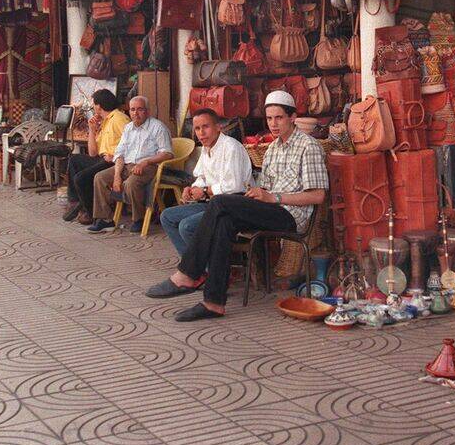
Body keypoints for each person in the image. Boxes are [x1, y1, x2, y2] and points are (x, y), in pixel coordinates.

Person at [145, 91, 328, 322]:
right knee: (223, 221)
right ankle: (213, 303)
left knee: (220, 202)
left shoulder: (308, 147)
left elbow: (318, 196)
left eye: (279, 118)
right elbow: (265, 189)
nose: (273, 124)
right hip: (268, 208)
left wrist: (275, 198)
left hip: (290, 215)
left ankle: (188, 273)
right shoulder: (271, 149)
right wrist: (258, 195)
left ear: (293, 117)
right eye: (269, 118)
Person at [159, 108, 252, 256]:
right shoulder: (206, 148)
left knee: (187, 226)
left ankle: (207, 269)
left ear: (218, 127)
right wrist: (191, 189)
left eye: (205, 127)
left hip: (234, 205)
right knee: (167, 217)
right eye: (197, 128)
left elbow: (233, 186)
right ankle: (191, 268)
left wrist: (204, 191)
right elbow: (201, 177)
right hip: (213, 204)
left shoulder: (231, 147)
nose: (201, 133)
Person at [88, 95, 173, 234]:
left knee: (131, 183)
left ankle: (138, 219)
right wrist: (116, 176)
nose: (135, 113)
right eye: (132, 110)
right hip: (127, 165)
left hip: (150, 166)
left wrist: (145, 162)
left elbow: (168, 153)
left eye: (140, 109)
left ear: (147, 111)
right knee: (100, 177)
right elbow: (120, 154)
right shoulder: (128, 128)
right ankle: (105, 219)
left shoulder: (158, 127)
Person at [63, 89, 129, 224]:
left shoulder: (119, 118)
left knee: (81, 178)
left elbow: (131, 141)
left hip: (114, 162)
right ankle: (75, 201)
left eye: (94, 104)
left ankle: (90, 212)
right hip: (101, 158)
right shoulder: (105, 121)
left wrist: (115, 155)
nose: (93, 107)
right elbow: (92, 152)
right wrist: (92, 130)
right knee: (74, 159)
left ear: (99, 105)